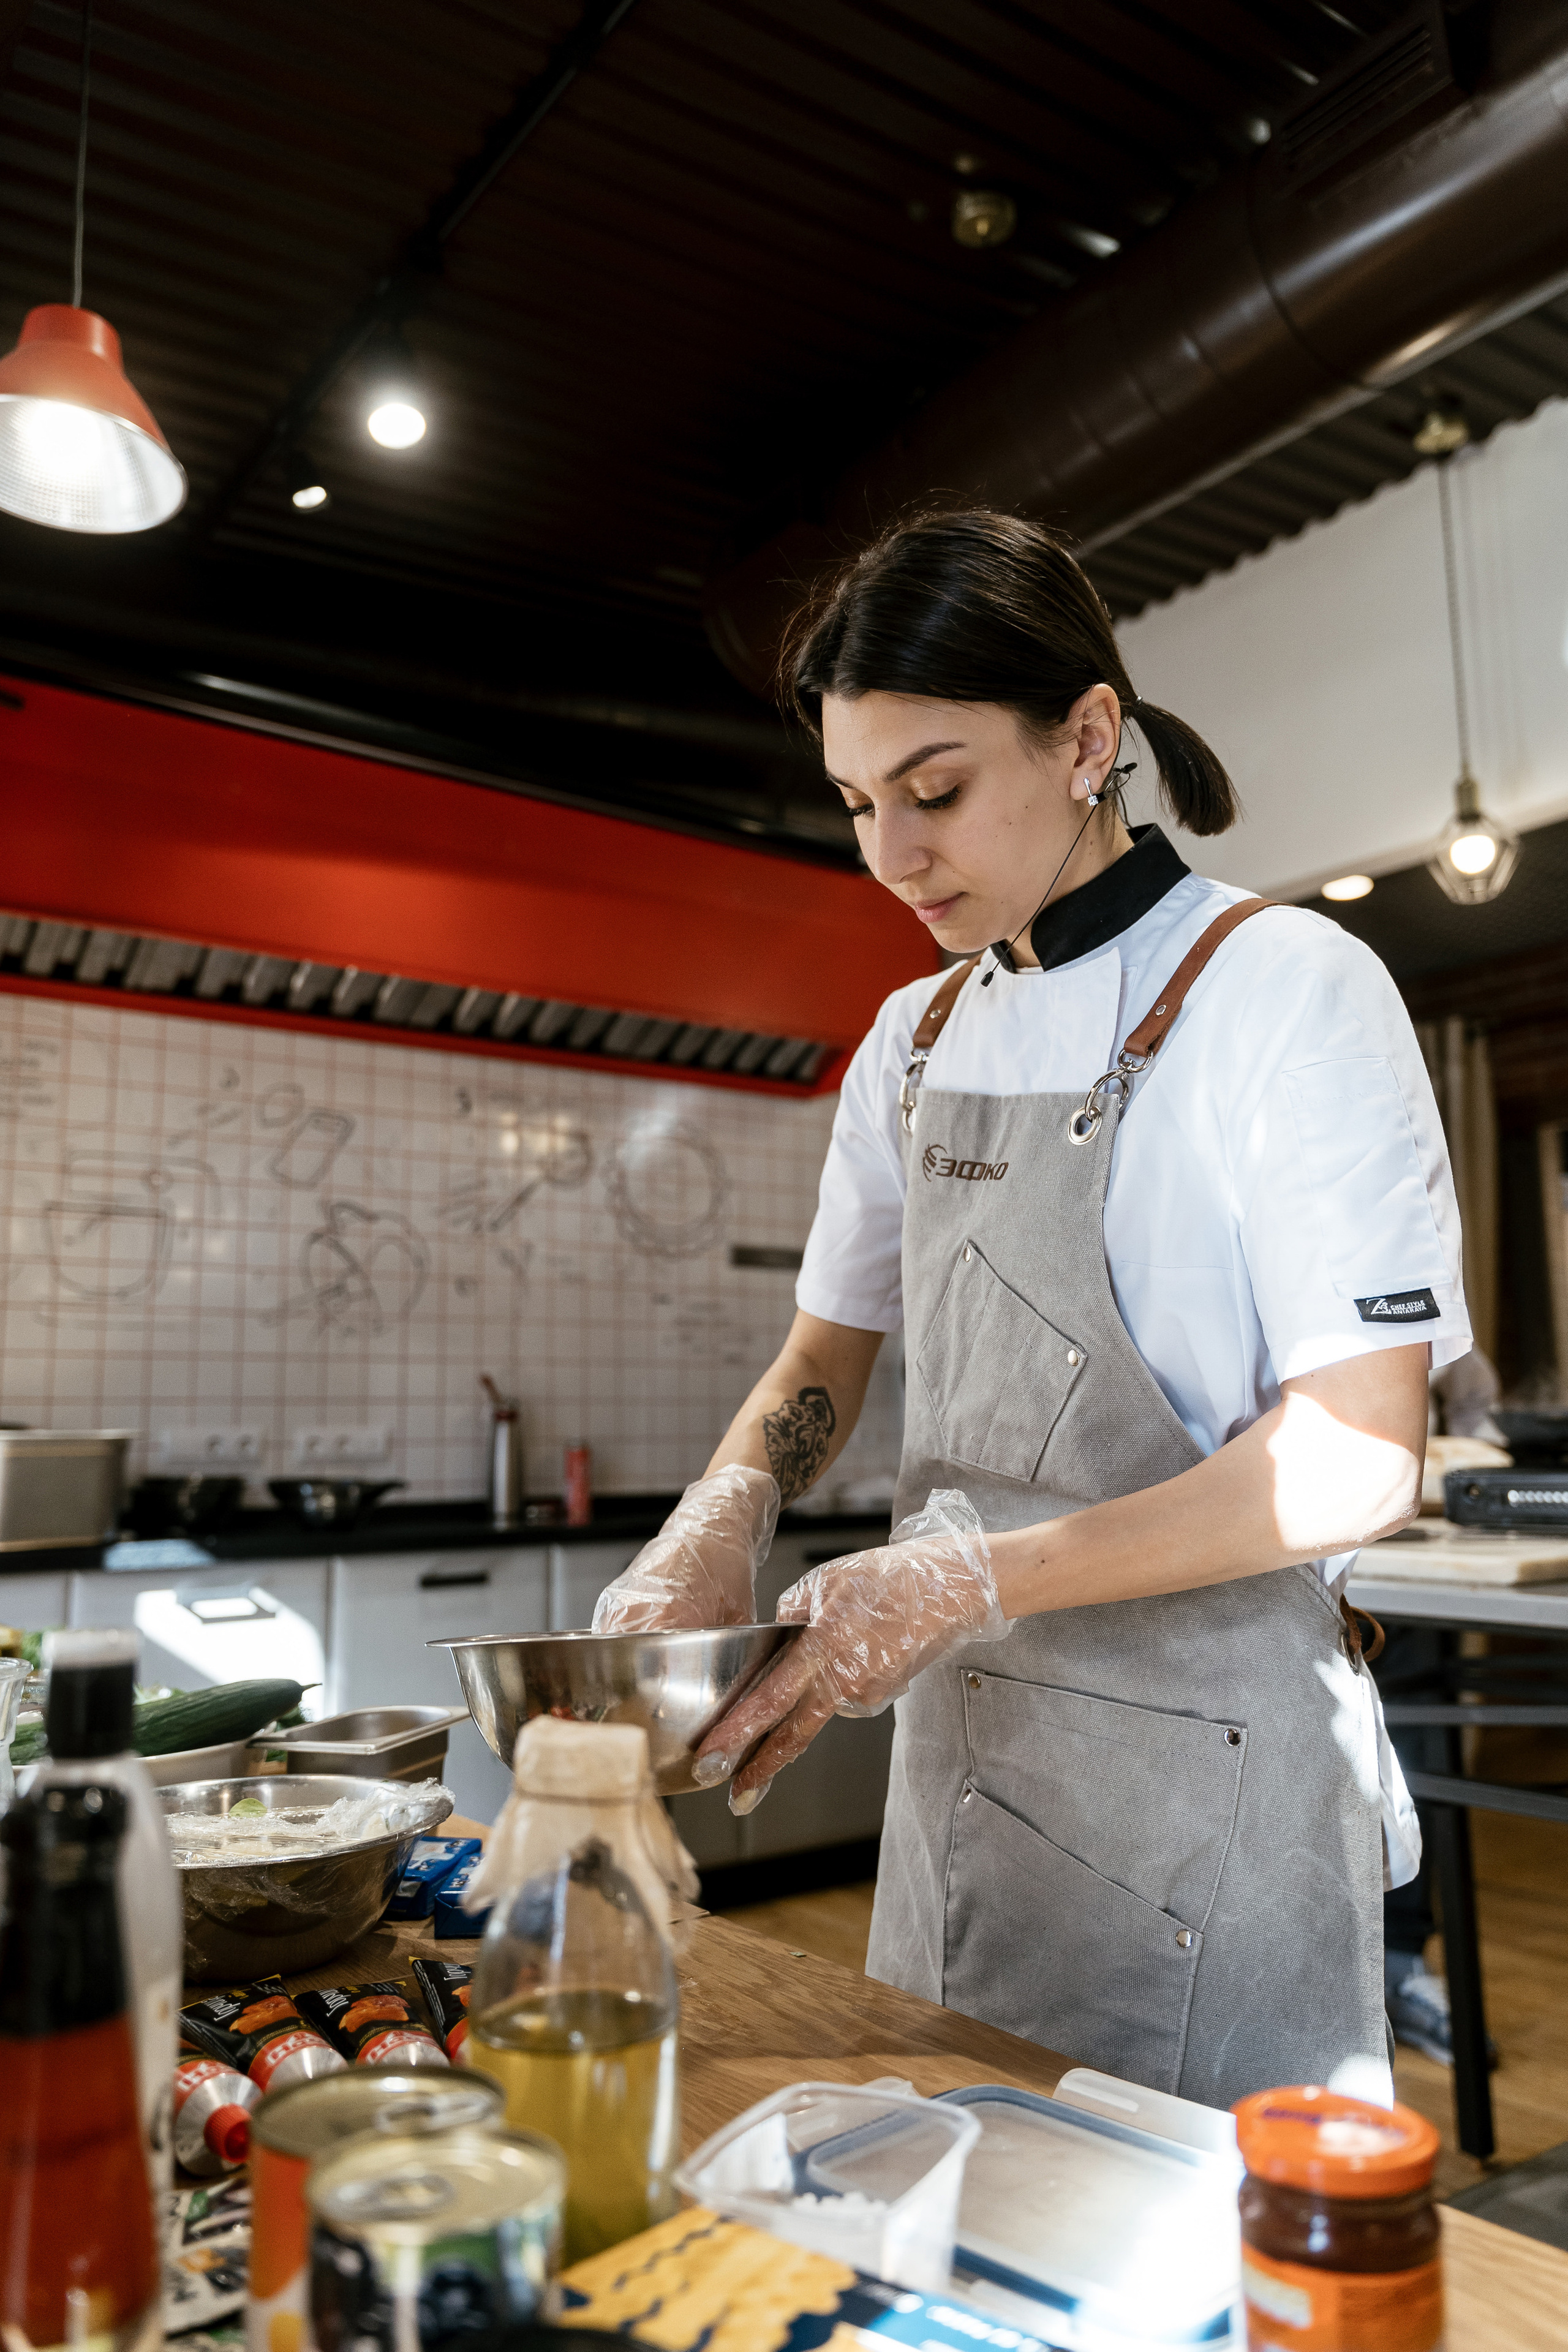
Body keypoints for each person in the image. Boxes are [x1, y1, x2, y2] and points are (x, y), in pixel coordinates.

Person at [595, 511, 1471, 2110]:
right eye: (858, 804)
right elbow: (822, 1353)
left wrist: (965, 1579)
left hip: (1218, 1775)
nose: (890, 855)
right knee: (956, 2190)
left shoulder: (1286, 991)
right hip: (973, 1772)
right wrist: (724, 1513)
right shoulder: (913, 1039)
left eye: (933, 791)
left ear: (1085, 739)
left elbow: (1358, 1459)